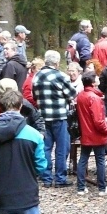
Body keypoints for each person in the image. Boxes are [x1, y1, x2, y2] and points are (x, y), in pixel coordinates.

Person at [32, 50, 76, 187]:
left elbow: (34, 96)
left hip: (42, 116)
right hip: (59, 116)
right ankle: (60, 178)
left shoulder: (36, 76)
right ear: (57, 62)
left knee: (45, 147)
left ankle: (46, 177)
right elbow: (72, 94)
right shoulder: (61, 76)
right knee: (62, 148)